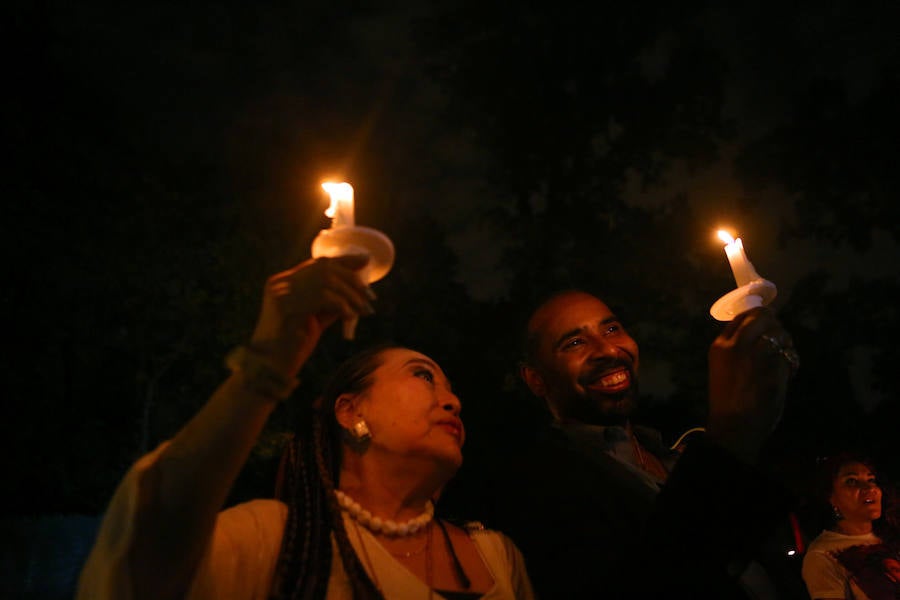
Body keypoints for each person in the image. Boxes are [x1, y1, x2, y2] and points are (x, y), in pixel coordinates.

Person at [76, 255, 535, 600]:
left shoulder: (499, 557)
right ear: (351, 411)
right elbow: (147, 553)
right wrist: (269, 362)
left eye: (451, 389)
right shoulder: (278, 544)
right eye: (422, 375)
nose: (453, 401)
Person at [447, 289, 799, 598]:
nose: (607, 349)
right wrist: (731, 433)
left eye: (612, 328)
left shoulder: (675, 450)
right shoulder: (538, 482)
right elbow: (651, 582)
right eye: (574, 342)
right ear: (536, 380)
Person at [802, 454, 900, 600]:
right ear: (831, 497)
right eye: (852, 481)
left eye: (871, 480)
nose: (869, 487)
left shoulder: (889, 533)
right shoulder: (822, 555)